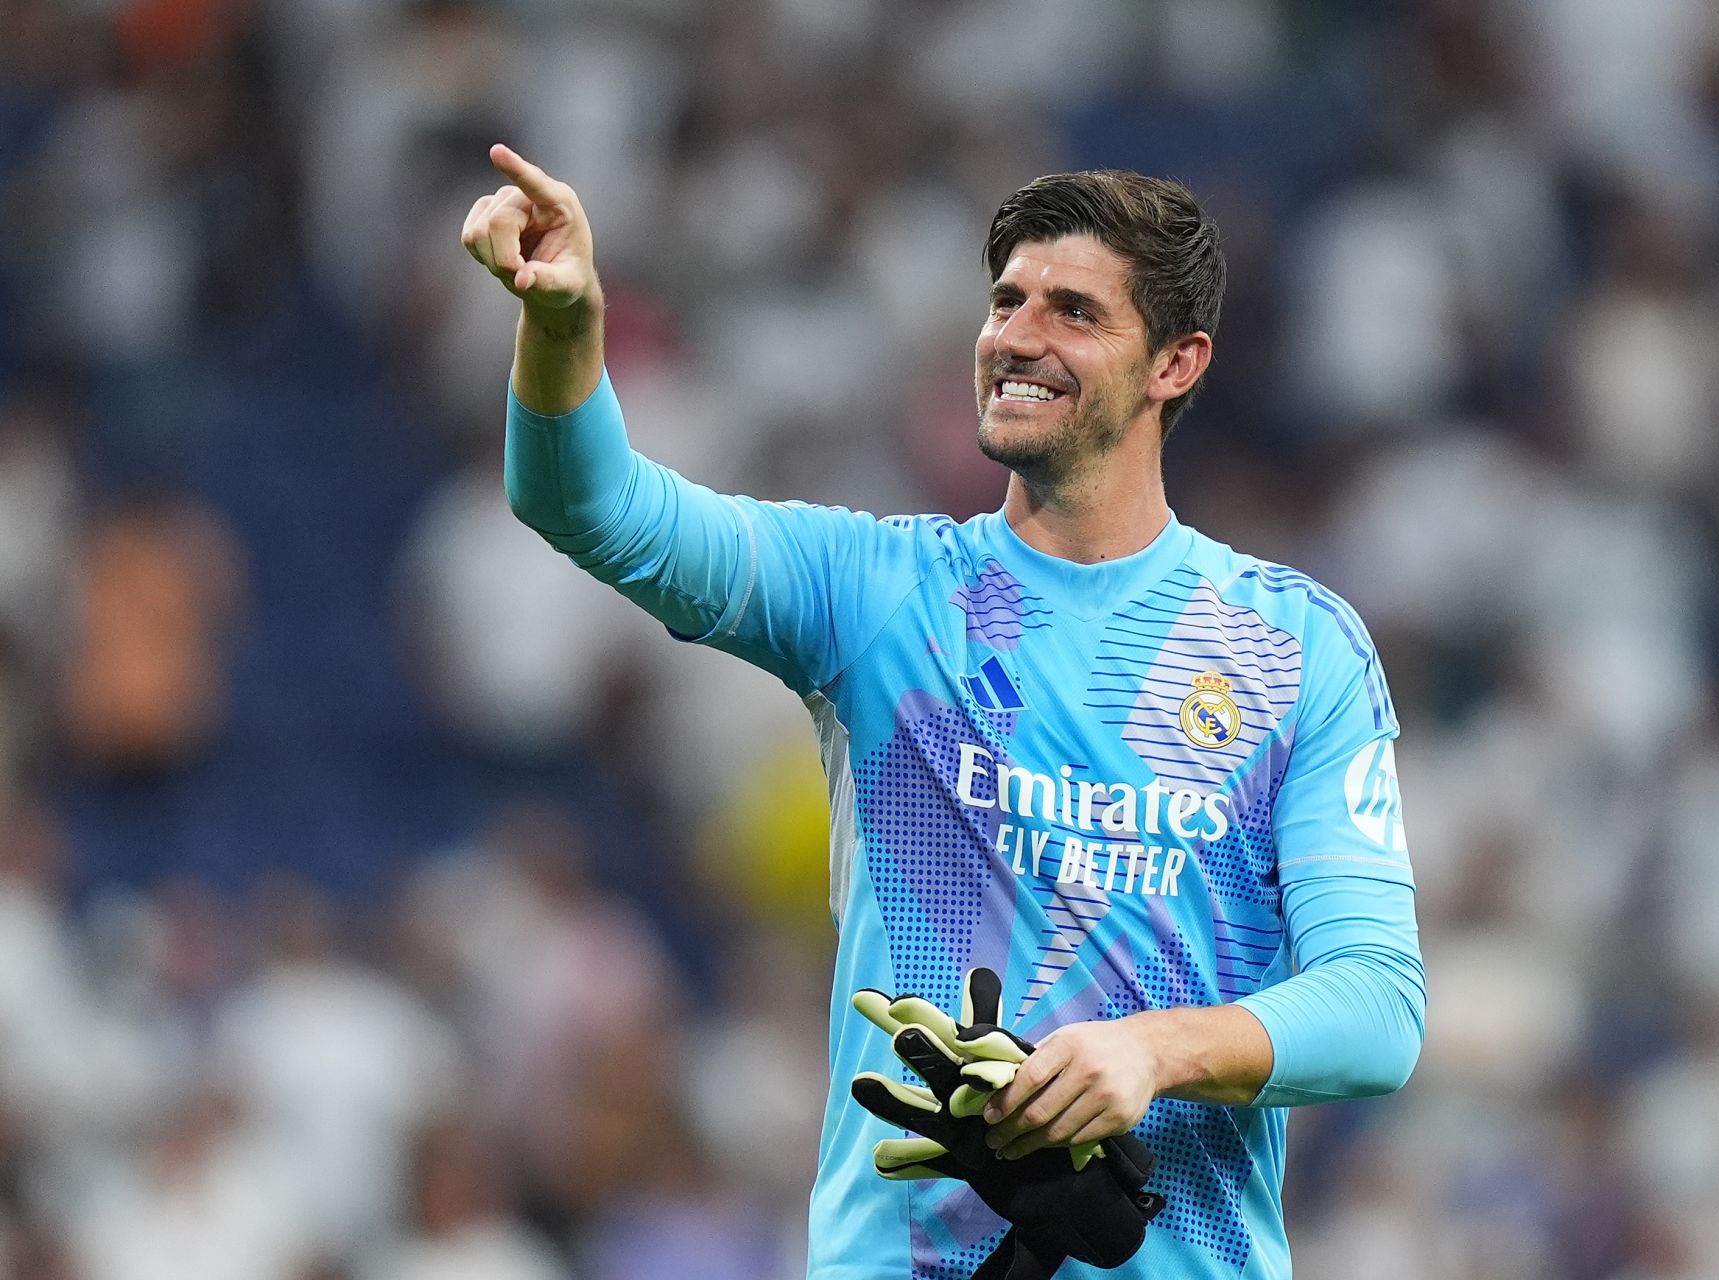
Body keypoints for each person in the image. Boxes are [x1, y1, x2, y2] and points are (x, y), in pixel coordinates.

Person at [462, 143, 1426, 1279]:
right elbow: (590, 504)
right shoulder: (876, 595)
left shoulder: (1292, 643)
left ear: (1177, 361)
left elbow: (1378, 1007)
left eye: (1074, 311)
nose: (1018, 336)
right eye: (1007, 302)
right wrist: (567, 323)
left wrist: (1152, 1052)